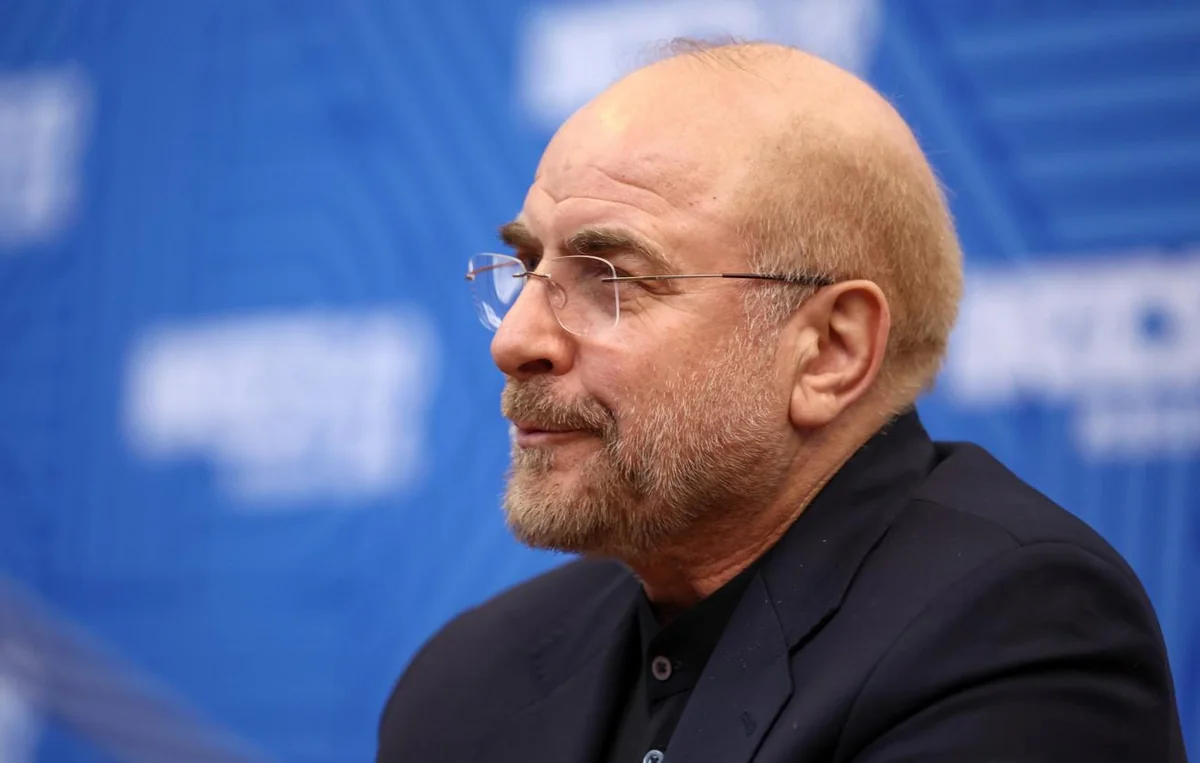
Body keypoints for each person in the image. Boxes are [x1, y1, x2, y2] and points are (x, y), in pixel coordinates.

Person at [376, 41, 1186, 763]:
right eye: (527, 267)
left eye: (611, 278)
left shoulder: (1013, 629)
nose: (515, 340)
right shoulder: (468, 680)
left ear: (830, 350)